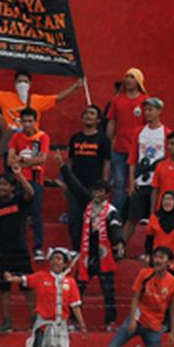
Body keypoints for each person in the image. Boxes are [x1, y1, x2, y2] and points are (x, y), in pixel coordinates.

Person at [99, 247, 174, 347]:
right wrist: (133, 319)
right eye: (155, 256)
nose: (157, 260)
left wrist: (173, 330)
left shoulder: (173, 283)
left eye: (161, 257)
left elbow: (173, 306)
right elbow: (135, 297)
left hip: (154, 327)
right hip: (137, 318)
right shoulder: (145, 274)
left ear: (169, 262)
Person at [4, 249, 85, 347]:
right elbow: (24, 279)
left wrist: (82, 324)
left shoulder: (70, 282)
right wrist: (11, 279)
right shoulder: (41, 277)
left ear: (65, 263)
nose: (55, 262)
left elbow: (75, 306)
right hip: (43, 326)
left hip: (60, 328)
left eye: (59, 259)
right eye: (53, 259)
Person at [0, 167, 36, 334]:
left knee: (27, 286)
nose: (1, 188)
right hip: (2, 252)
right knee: (3, 288)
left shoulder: (19, 200)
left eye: (5, 185)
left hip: (20, 249)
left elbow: (31, 193)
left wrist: (19, 174)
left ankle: (35, 320)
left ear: (12, 187)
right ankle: (6, 321)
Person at [74, 180, 123, 331]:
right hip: (88, 255)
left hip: (104, 255)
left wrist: (119, 241)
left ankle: (110, 322)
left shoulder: (111, 211)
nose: (96, 193)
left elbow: (115, 227)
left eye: (100, 191)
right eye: (94, 190)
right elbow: (75, 187)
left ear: (106, 194)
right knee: (77, 289)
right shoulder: (87, 207)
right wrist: (63, 168)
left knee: (108, 291)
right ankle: (73, 321)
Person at [0, 68, 83, 133]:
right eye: (19, 81)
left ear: (30, 84)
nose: (22, 84)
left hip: (30, 135)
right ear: (15, 83)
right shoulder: (6, 97)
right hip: (10, 136)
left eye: (25, 81)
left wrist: (74, 87)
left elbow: (57, 98)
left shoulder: (36, 100)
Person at [64, 106, 112, 247]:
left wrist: (104, 184)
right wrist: (67, 183)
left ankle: (93, 250)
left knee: (94, 221)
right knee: (74, 220)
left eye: (92, 113)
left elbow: (106, 162)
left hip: (94, 186)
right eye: (85, 113)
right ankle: (76, 250)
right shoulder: (75, 138)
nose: (88, 116)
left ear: (98, 119)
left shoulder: (103, 139)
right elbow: (70, 161)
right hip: (75, 186)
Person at [145, 191, 174, 329]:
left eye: (170, 199)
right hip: (158, 261)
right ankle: (159, 322)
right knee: (156, 293)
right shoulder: (155, 217)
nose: (167, 202)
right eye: (165, 199)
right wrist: (149, 255)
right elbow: (149, 239)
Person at [8, 108, 51, 259]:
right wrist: (29, 161)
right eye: (24, 121)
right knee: (18, 214)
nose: (27, 124)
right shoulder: (16, 137)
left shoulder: (42, 137)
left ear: (35, 121)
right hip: (20, 179)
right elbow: (9, 160)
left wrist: (23, 160)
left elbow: (42, 159)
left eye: (30, 121)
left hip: (35, 179)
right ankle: (19, 247)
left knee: (36, 214)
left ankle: (38, 248)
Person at [124, 97, 169, 244]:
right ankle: (120, 247)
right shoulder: (139, 132)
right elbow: (132, 157)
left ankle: (154, 248)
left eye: (151, 109)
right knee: (132, 217)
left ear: (159, 111)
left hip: (158, 182)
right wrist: (131, 180)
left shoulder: (166, 133)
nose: (147, 113)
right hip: (140, 180)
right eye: (146, 110)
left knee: (155, 218)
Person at [105, 68, 148, 212]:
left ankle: (135, 213)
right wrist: (107, 142)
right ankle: (116, 215)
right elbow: (112, 122)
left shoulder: (145, 101)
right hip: (119, 149)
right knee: (119, 183)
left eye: (132, 77)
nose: (128, 80)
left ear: (139, 81)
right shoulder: (117, 100)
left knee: (138, 183)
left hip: (139, 150)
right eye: (127, 77)